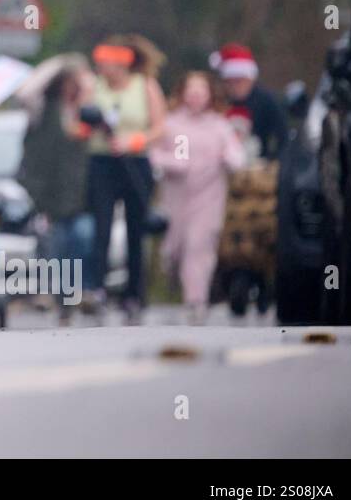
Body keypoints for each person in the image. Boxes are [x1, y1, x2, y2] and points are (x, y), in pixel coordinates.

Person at [82, 34, 167, 322]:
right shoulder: (94, 87)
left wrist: (134, 141)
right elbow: (80, 120)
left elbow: (160, 128)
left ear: (121, 65)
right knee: (102, 227)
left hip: (135, 163)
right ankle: (98, 289)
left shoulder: (145, 86)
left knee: (135, 229)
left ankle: (135, 293)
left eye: (107, 64)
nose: (102, 68)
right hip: (102, 163)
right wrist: (90, 125)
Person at [151, 71, 247, 324]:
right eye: (190, 90)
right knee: (176, 248)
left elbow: (236, 155)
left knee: (199, 246)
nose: (195, 96)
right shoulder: (171, 124)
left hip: (209, 196)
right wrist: (172, 163)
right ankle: (173, 274)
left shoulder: (220, 125)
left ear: (209, 95)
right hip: (177, 197)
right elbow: (155, 155)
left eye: (200, 90)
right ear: (182, 94)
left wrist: (229, 159)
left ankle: (196, 300)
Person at [16, 58, 94, 316]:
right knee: (55, 245)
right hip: (50, 197)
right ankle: (59, 297)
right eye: (69, 81)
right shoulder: (44, 109)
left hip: (84, 196)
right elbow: (25, 92)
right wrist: (61, 62)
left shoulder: (90, 112)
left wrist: (83, 77)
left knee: (81, 240)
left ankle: (81, 293)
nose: (73, 87)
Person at [210, 43, 286, 160]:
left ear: (250, 79)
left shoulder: (266, 100)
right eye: (230, 82)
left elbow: (281, 136)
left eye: (239, 81)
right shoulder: (218, 102)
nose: (235, 86)